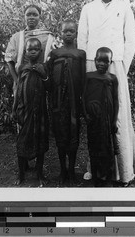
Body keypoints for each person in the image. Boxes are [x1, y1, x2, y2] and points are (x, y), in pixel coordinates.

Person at [78, 0, 135, 186]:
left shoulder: (123, 7)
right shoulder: (88, 8)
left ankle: (124, 171)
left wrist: (123, 64)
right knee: (96, 117)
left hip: (116, 65)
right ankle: (94, 167)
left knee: (118, 115)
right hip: (92, 67)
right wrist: (86, 68)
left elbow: (132, 38)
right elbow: (82, 40)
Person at [48, 20, 86, 185]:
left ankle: (71, 169)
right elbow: (49, 79)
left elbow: (83, 79)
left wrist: (82, 101)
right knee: (60, 136)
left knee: (73, 135)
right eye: (65, 31)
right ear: (60, 33)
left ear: (76, 33)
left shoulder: (81, 54)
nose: (69, 34)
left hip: (74, 103)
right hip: (58, 102)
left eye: (72, 31)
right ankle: (62, 169)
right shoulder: (55, 54)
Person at [12, 38, 49, 186]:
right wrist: (14, 108)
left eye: (36, 49)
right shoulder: (22, 68)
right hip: (24, 111)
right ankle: (21, 174)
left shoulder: (44, 68)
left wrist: (44, 75)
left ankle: (40, 174)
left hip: (39, 113)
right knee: (22, 142)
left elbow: (49, 87)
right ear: (26, 52)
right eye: (29, 49)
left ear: (40, 51)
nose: (32, 51)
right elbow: (17, 89)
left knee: (40, 142)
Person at [83, 47, 119, 187]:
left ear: (110, 62)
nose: (101, 64)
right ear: (95, 60)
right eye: (99, 60)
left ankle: (107, 177)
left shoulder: (112, 79)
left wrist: (114, 121)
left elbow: (115, 101)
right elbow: (84, 97)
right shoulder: (88, 76)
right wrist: (86, 115)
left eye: (106, 61)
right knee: (93, 147)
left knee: (107, 148)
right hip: (93, 120)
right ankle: (96, 177)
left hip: (106, 120)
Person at [5, 4, 54, 95]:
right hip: (22, 80)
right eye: (28, 14)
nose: (31, 17)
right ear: (24, 16)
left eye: (35, 15)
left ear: (40, 17)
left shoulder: (48, 37)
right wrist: (17, 81)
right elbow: (9, 61)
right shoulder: (17, 37)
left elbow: (52, 61)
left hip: (42, 81)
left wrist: (45, 77)